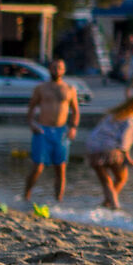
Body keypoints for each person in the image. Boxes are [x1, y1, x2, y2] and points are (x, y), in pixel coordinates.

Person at [22, 58, 82, 205]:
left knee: (60, 168)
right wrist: (32, 124)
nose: (57, 70)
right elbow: (31, 109)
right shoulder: (41, 88)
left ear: (64, 70)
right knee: (38, 166)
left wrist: (73, 127)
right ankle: (26, 196)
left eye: (60, 68)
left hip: (61, 132)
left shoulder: (70, 89)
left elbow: (75, 111)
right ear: (49, 69)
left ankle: (58, 201)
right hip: (43, 130)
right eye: (54, 67)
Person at [81, 94, 133, 209]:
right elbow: (125, 141)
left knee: (106, 179)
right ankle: (114, 205)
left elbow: (98, 132)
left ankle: (107, 203)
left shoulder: (113, 115)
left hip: (92, 147)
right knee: (121, 177)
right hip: (110, 149)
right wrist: (128, 159)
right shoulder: (132, 120)